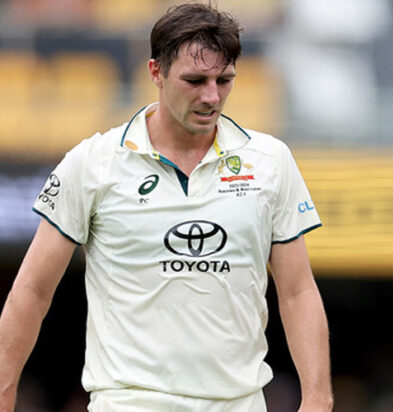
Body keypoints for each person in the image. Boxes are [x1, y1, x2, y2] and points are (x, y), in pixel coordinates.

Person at [0, 3, 333, 411]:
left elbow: (297, 291)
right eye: (195, 80)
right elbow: (32, 291)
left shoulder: (270, 160)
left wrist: (318, 397)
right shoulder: (94, 162)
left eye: (224, 80)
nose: (212, 96)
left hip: (239, 404)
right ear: (155, 72)